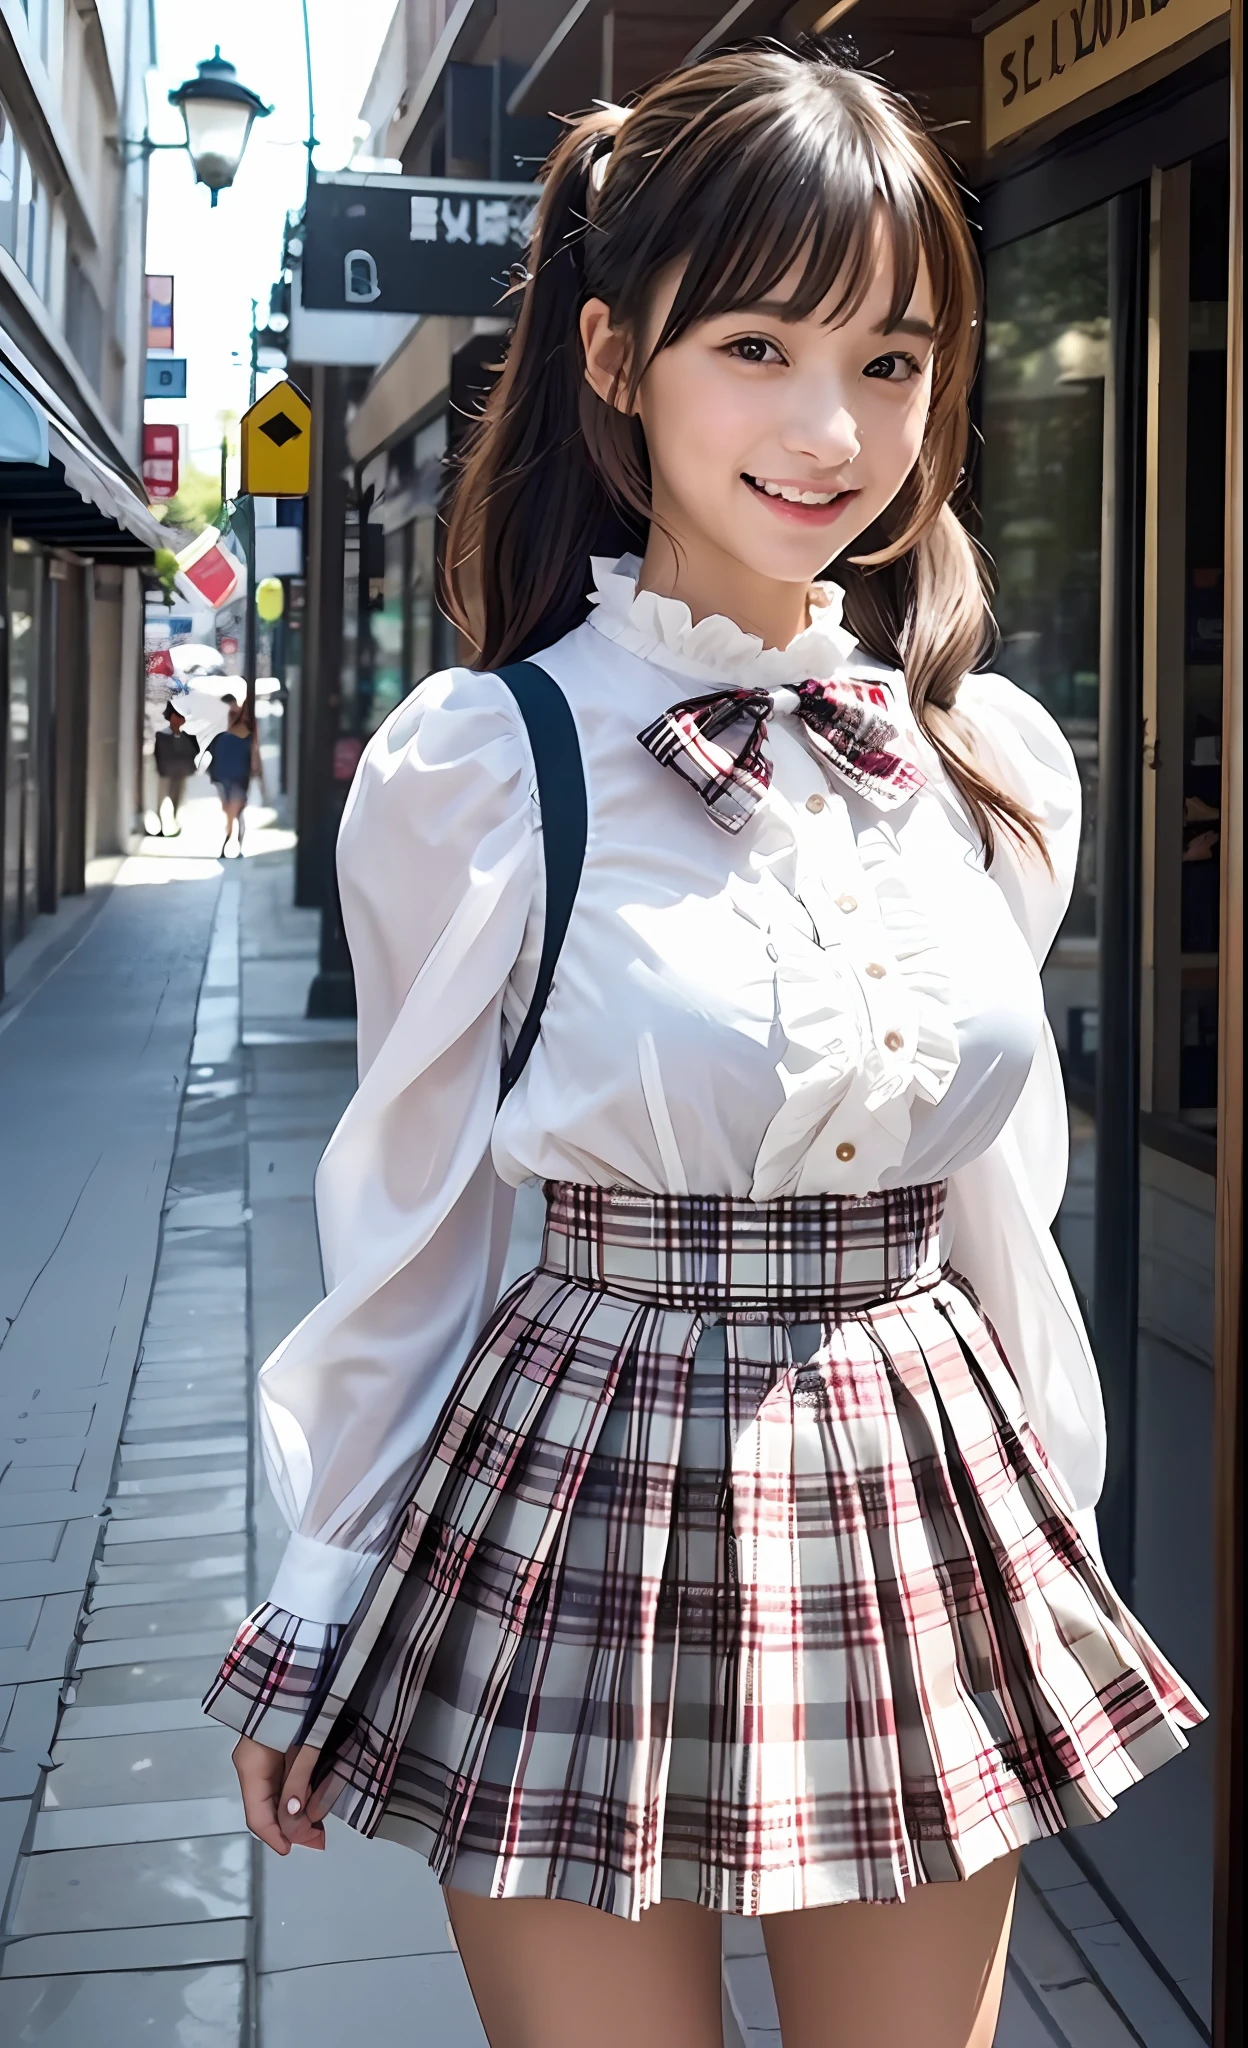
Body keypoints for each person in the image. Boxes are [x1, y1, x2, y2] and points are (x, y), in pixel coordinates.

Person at [204, 48, 1203, 2048]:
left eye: (896, 360)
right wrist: (316, 1591)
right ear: (612, 349)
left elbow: (1007, 1215)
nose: (834, 427)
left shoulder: (985, 760)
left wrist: (1050, 1540)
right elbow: (412, 1222)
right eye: (759, 343)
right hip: (578, 1464)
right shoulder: (485, 764)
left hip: (917, 1473)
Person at [206, 695, 261, 858]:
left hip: (231, 774)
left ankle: (230, 845)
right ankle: (232, 845)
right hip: (232, 774)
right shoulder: (241, 730)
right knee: (234, 811)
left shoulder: (224, 730)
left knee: (234, 811)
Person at [152, 707, 199, 837]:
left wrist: (191, 769)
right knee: (161, 800)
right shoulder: (162, 735)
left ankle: (174, 824)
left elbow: (194, 754)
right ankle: (161, 826)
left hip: (181, 772)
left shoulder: (189, 736)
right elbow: (158, 754)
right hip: (166, 773)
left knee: (177, 800)